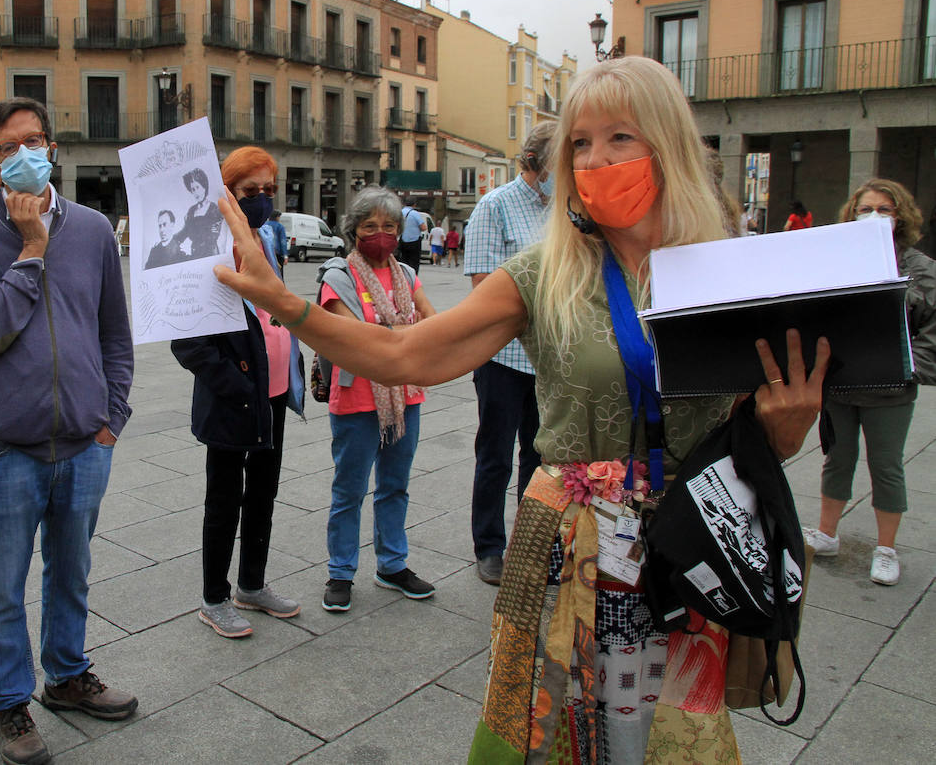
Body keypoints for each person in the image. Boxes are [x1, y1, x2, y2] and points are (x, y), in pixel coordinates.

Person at [211, 56, 828, 764]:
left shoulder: (730, 272)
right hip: (571, 550)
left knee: (671, 741)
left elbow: (754, 436)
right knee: (554, 738)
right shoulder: (546, 270)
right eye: (581, 143)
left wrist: (788, 425)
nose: (595, 159)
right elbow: (407, 355)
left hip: (688, 552)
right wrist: (285, 302)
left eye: (619, 137)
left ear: (667, 142)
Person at [0, 98, 137, 764]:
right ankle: (8, 704)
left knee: (71, 571)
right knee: (1, 584)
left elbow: (114, 330)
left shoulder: (90, 228)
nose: (22, 153)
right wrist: (30, 249)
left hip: (85, 441)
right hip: (5, 447)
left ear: (52, 147)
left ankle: (68, 676)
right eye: (6, 147)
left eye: (32, 140)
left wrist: (113, 417)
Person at [171, 146, 304, 639]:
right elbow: (187, 342)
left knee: (264, 493)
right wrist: (235, 384)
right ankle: (214, 597)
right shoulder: (205, 247)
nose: (263, 200)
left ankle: (252, 584)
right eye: (252, 192)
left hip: (272, 394)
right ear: (227, 192)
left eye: (270, 190)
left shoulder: (266, 239)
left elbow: (275, 309)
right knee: (224, 501)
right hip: (234, 398)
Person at [804, 179, 936, 586]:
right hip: (842, 383)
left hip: (891, 389)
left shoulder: (919, 268)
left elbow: (931, 327)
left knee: (887, 466)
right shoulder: (839, 259)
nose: (874, 216)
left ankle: (886, 549)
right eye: (866, 208)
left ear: (900, 217)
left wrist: (913, 368)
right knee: (837, 459)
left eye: (884, 209)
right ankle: (827, 534)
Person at [317, 186, 438, 613]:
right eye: (371, 226)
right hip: (357, 398)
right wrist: (406, 335)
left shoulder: (405, 274)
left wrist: (398, 339)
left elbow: (434, 324)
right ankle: (341, 570)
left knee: (395, 485)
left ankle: (391, 563)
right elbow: (355, 337)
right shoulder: (338, 278)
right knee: (349, 490)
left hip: (405, 394)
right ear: (355, 231)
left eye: (389, 226)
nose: (381, 234)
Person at [463, 120, 557, 585]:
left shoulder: (567, 208)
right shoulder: (494, 206)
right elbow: (483, 286)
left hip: (550, 358)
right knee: (495, 456)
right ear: (535, 163)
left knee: (541, 458)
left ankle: (532, 545)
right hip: (503, 356)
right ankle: (490, 547)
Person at [181, 166, 223, 258]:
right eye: (193, 189)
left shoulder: (214, 209)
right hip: (195, 254)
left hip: (210, 254)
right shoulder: (191, 211)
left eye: (197, 187)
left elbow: (213, 236)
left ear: (204, 187)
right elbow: (184, 233)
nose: (196, 192)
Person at [397, 198, 427, 272]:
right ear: (414, 204)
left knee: (403, 260)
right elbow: (423, 228)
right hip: (414, 241)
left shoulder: (399, 213)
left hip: (402, 240)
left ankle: (404, 277)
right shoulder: (415, 213)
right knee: (414, 262)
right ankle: (413, 279)